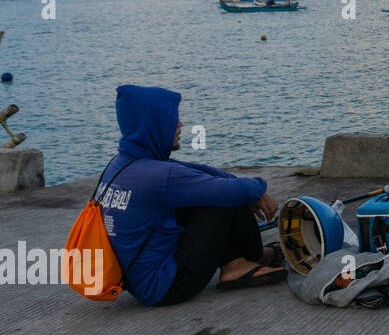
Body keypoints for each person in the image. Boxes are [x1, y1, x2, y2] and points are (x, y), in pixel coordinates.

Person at [100, 85, 283, 306]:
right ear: (155, 124)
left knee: (210, 189)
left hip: (138, 282)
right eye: (173, 118)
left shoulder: (122, 164)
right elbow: (230, 190)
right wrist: (257, 189)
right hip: (166, 286)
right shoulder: (160, 176)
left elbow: (196, 170)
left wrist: (245, 186)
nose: (180, 124)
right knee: (221, 198)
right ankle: (238, 265)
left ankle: (243, 258)